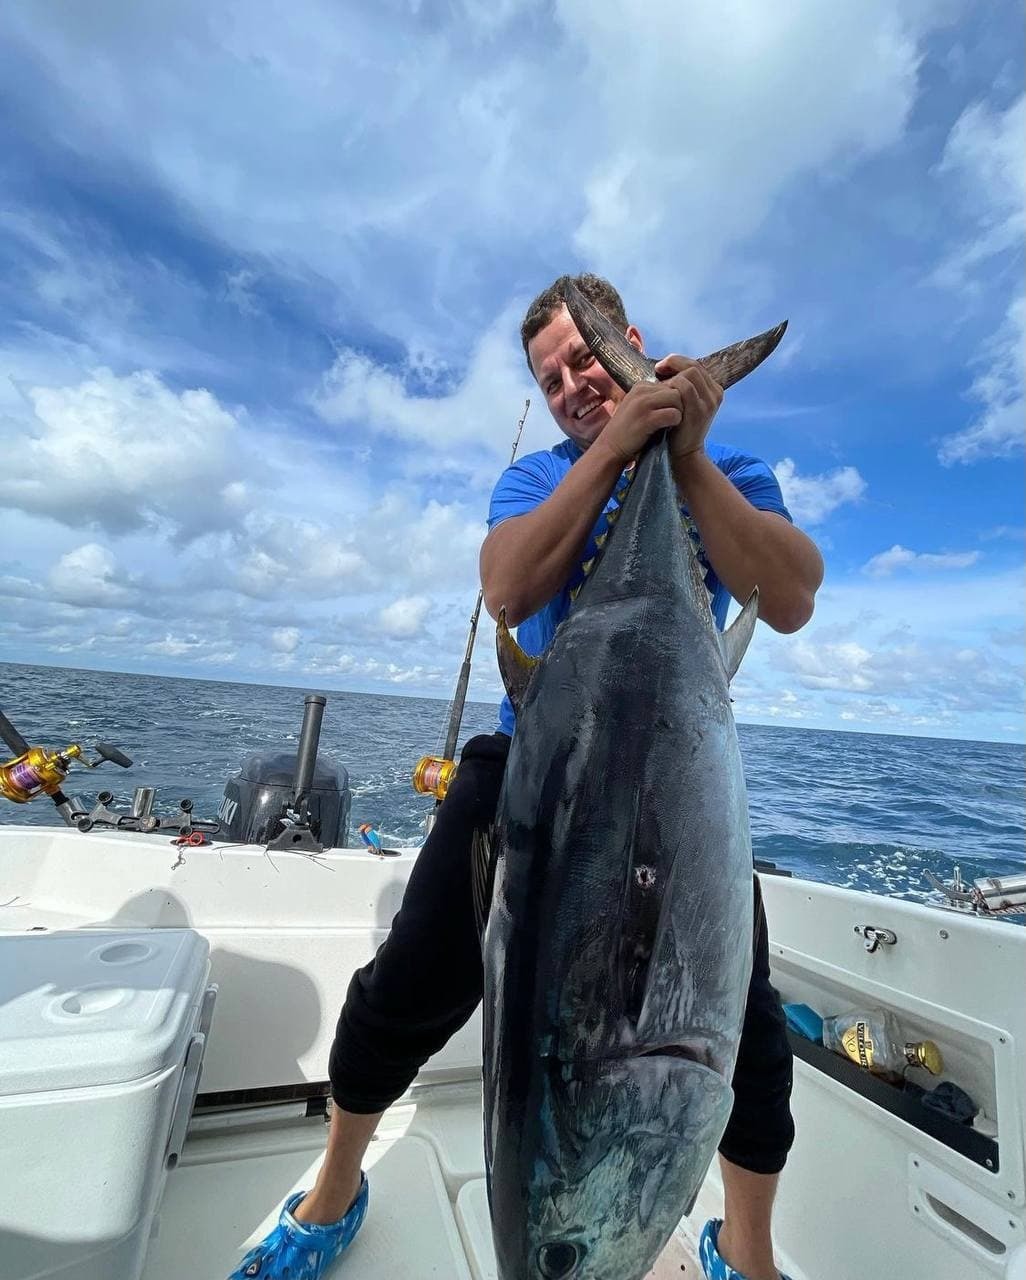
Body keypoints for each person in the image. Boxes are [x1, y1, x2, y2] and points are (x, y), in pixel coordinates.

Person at [228, 274, 825, 1280]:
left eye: (588, 359)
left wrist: (681, 449)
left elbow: (790, 595)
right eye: (553, 378)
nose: (574, 384)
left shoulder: (731, 464)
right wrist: (616, 440)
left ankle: (750, 1254)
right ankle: (334, 1186)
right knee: (409, 981)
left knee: (750, 1031)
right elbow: (506, 588)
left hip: (681, 783)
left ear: (631, 339)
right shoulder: (538, 477)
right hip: (536, 763)